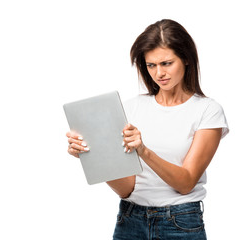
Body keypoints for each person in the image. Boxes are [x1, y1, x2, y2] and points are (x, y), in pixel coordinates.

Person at [66, 19, 229, 239]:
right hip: (130, 218)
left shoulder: (207, 110)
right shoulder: (132, 108)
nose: (159, 73)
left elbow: (186, 182)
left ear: (187, 59)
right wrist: (93, 154)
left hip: (180, 221)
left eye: (167, 63)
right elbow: (127, 189)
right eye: (151, 65)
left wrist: (144, 151)